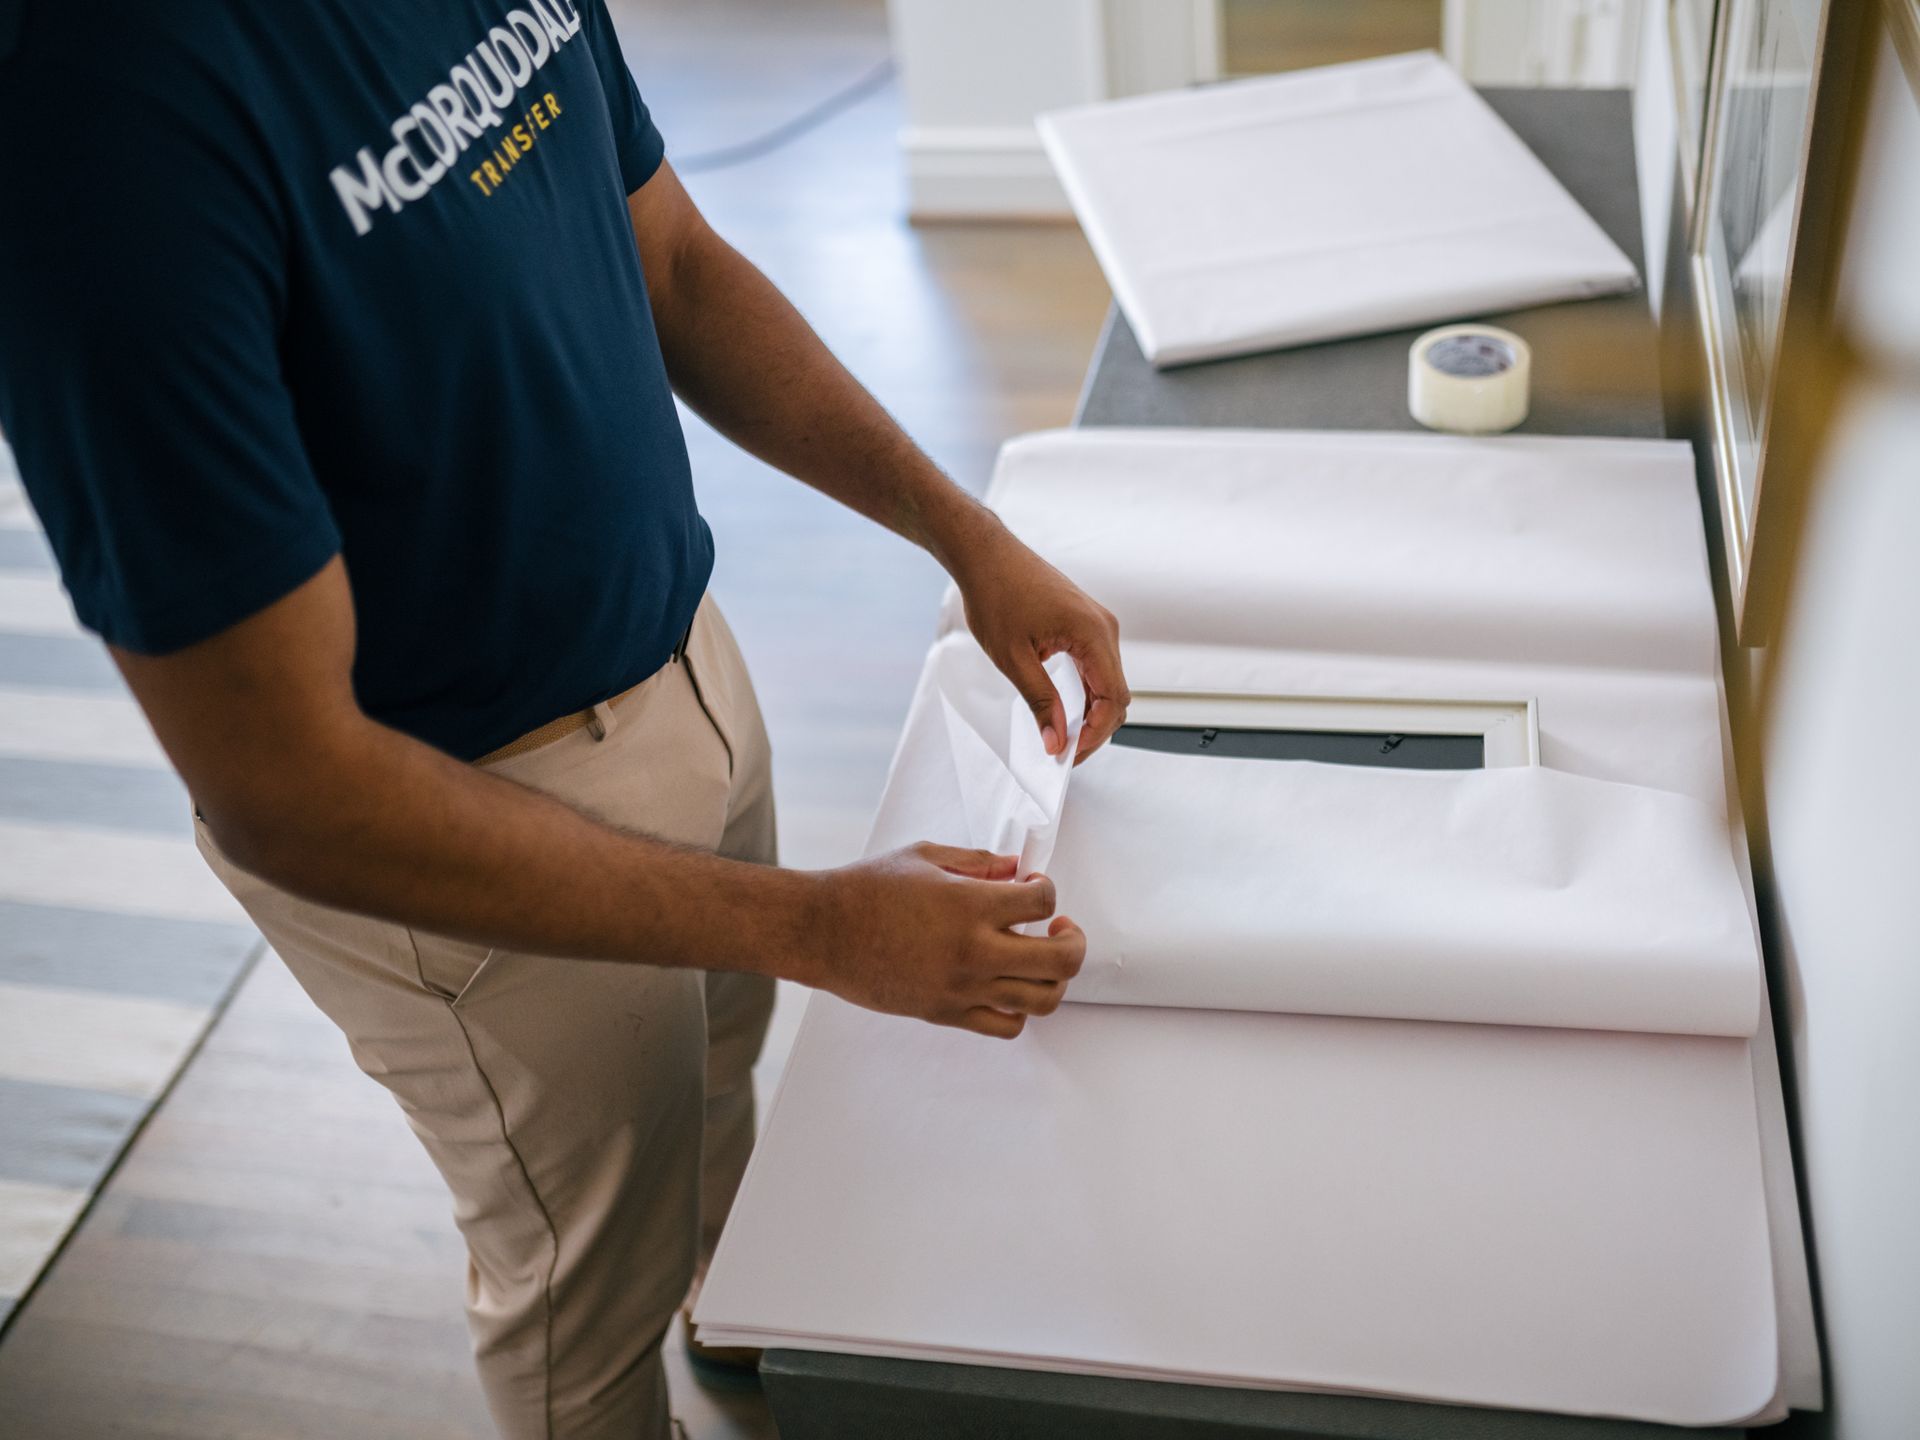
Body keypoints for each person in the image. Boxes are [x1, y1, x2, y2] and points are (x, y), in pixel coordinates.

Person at [0, 2, 1130, 1436]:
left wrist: (965, 536)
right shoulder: (96, 128)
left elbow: (675, 263)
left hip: (682, 649)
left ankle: (739, 1318)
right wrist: (823, 926)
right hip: (470, 814)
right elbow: (288, 785)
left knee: (720, 1082)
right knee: (580, 1299)